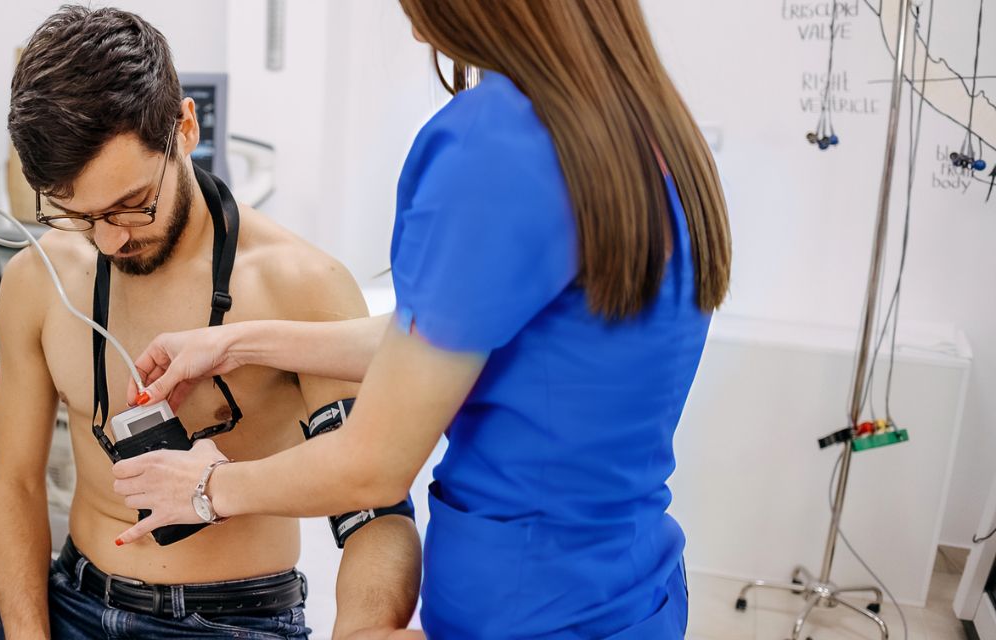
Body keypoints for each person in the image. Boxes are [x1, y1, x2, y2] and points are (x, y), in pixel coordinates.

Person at [108, 0, 733, 637]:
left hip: (524, 611)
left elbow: (373, 465)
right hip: (629, 593)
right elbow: (474, 335)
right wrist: (241, 343)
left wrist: (207, 486)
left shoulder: (495, 143)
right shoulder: (643, 127)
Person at [0, 6, 422, 640]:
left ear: (184, 127)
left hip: (229, 621)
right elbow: (12, 482)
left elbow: (375, 515)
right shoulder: (39, 281)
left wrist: (362, 628)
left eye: (131, 204)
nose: (112, 239)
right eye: (80, 215)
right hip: (71, 597)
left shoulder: (300, 286)